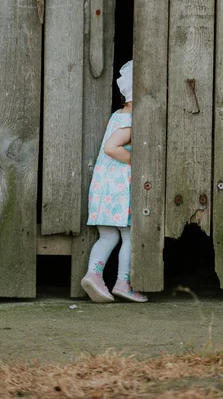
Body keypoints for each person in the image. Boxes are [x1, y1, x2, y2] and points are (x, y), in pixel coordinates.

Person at [81, 61, 148, 303]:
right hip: (120, 189)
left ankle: (94, 274)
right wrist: (136, 161)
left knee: (108, 237)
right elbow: (111, 148)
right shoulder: (130, 121)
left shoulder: (117, 116)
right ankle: (123, 282)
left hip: (104, 188)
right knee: (130, 236)